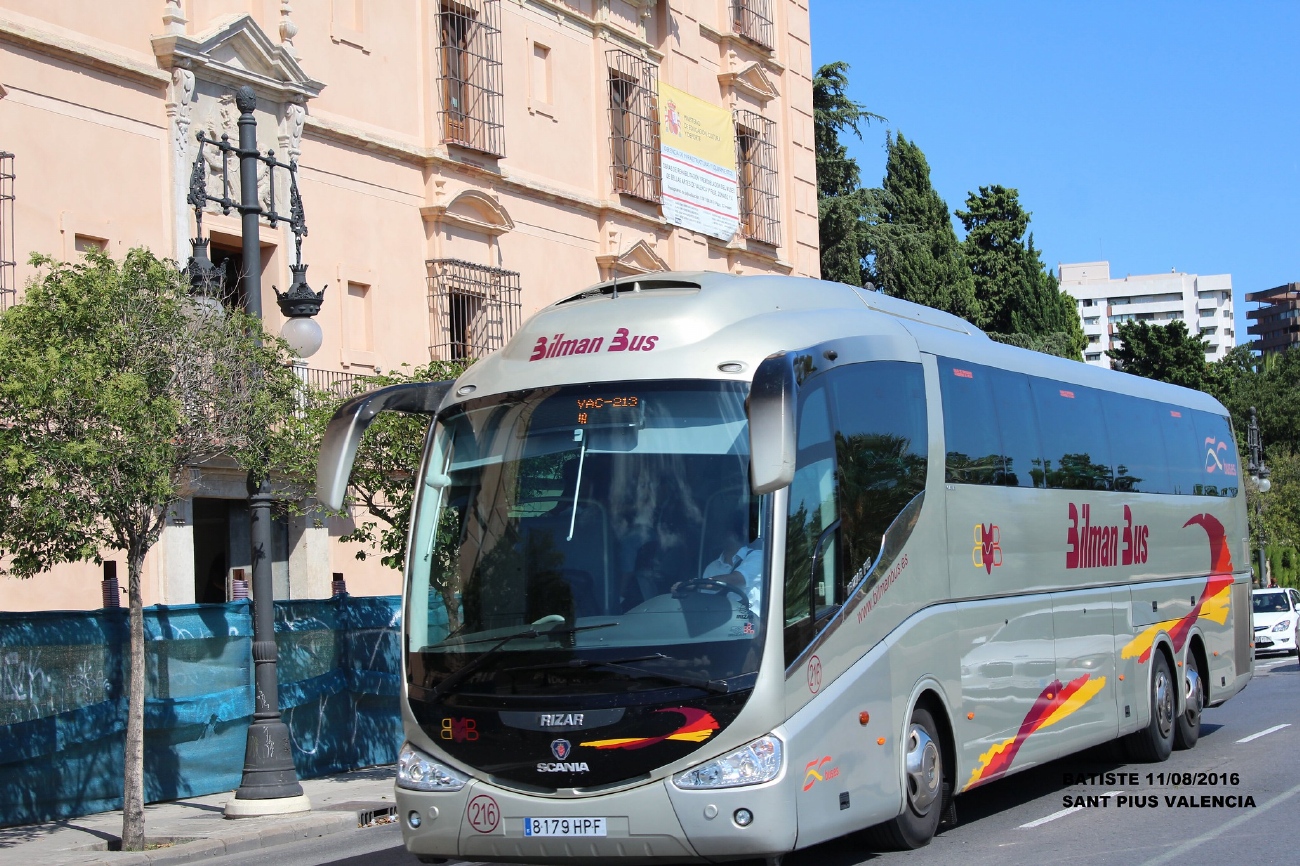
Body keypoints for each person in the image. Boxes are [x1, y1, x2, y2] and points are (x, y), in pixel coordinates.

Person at [700, 528, 764, 609]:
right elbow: (706, 601)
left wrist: (694, 584)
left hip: (755, 620)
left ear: (735, 535)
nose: (718, 536)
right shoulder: (712, 567)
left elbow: (736, 579)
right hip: (719, 619)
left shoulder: (757, 556)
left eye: (723, 533)